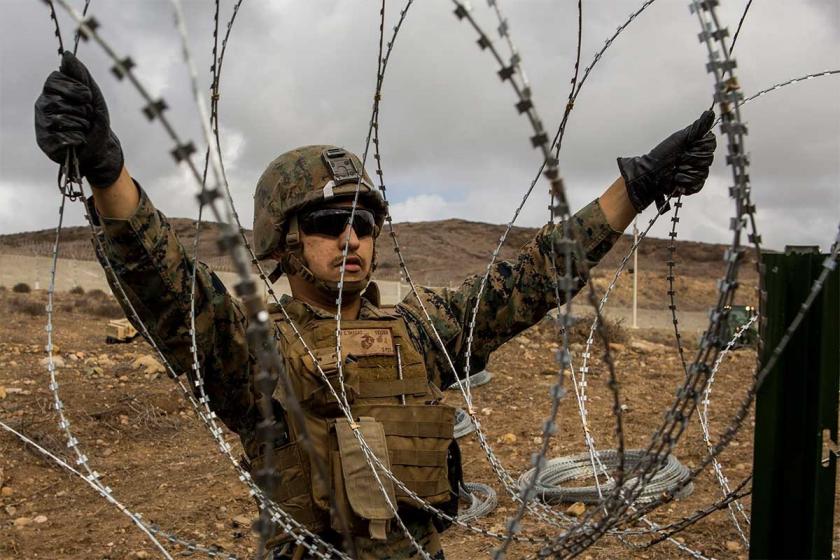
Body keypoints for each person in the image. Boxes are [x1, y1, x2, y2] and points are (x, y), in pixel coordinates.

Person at [35, 52, 716, 559]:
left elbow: (536, 278)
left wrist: (637, 187)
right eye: (330, 223)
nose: (352, 238)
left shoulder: (420, 331)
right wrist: (104, 168)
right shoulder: (249, 345)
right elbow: (161, 279)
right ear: (284, 238)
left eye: (365, 222)